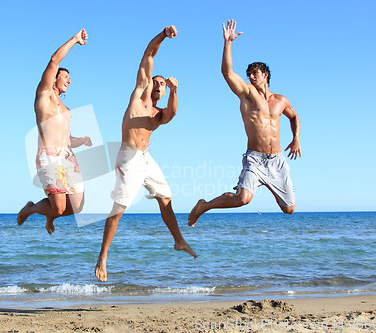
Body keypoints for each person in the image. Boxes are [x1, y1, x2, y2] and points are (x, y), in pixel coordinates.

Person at [95, 25, 197, 282]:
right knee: (119, 208)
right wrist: (163, 34)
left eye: (163, 85)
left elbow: (172, 114)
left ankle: (178, 241)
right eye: (158, 82)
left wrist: (175, 91)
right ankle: (103, 256)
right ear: (149, 84)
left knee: (166, 197)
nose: (159, 86)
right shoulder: (139, 96)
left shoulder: (158, 115)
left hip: (146, 158)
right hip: (128, 158)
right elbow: (149, 55)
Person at [188, 20, 301, 226]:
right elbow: (227, 73)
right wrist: (228, 43)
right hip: (255, 159)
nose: (250, 76)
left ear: (265, 75)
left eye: (254, 73)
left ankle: (265, 183)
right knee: (243, 199)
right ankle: (204, 206)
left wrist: (296, 140)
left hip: (276, 160)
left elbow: (294, 117)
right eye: (249, 73)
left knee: (289, 209)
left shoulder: (281, 100)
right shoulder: (247, 94)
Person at [17, 29, 92, 235]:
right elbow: (54, 60)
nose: (69, 81)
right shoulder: (44, 94)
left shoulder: (64, 107)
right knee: (59, 207)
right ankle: (31, 209)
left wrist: (81, 140)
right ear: (54, 79)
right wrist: (75, 40)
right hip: (49, 156)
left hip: (67, 155)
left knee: (78, 206)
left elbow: (66, 138)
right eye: (65, 77)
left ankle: (50, 214)